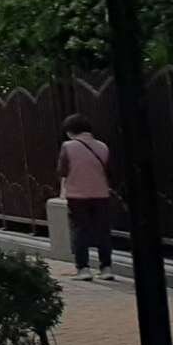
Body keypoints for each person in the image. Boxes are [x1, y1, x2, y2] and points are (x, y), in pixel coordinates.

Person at [59, 113, 115, 281]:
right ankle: (106, 268)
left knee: (80, 230)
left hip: (77, 195)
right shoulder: (103, 147)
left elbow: (62, 170)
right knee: (103, 231)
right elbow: (109, 170)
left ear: (70, 131)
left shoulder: (68, 147)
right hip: (101, 194)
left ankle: (83, 268)